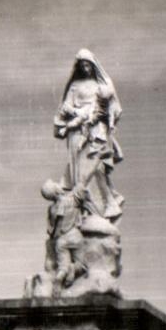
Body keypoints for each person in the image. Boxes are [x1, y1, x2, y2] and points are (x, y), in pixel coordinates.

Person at [53, 49, 125, 220]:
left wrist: (105, 119)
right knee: (79, 171)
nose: (85, 68)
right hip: (77, 132)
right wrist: (72, 115)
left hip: (96, 131)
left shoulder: (102, 84)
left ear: (93, 65)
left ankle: (105, 206)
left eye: (88, 65)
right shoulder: (75, 86)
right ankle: (85, 211)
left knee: (95, 168)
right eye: (82, 65)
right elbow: (65, 107)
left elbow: (113, 108)